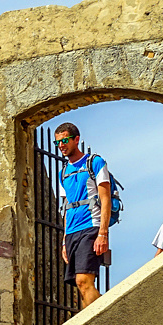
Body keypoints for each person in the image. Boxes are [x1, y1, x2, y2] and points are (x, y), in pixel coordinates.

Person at [53, 122, 112, 308]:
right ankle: (98, 323)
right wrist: (64, 241)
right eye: (58, 143)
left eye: (65, 140)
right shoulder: (63, 172)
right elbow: (66, 207)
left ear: (76, 139)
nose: (61, 145)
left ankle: (104, 320)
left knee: (83, 281)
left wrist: (103, 233)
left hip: (90, 227)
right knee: (80, 286)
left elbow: (106, 199)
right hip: (71, 232)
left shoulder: (95, 162)